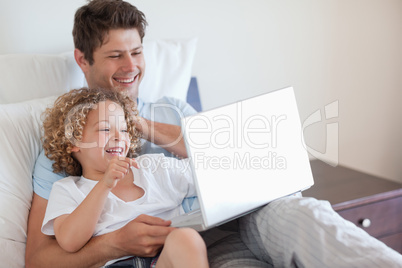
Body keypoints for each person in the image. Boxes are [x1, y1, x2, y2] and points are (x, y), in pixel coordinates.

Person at [26, 0, 402, 267]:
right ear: (83, 59)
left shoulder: (174, 108)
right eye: (114, 56)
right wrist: (112, 244)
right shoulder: (69, 139)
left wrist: (139, 123)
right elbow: (39, 259)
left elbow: (225, 162)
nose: (131, 67)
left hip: (243, 218)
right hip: (184, 247)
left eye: (137, 52)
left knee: (305, 213)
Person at [40, 87, 208, 267]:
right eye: (105, 129)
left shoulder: (152, 167)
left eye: (124, 129)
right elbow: (69, 241)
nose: (119, 137)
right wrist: (104, 184)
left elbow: (208, 170)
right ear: (74, 141)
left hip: (167, 257)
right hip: (117, 263)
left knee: (186, 239)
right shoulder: (67, 189)